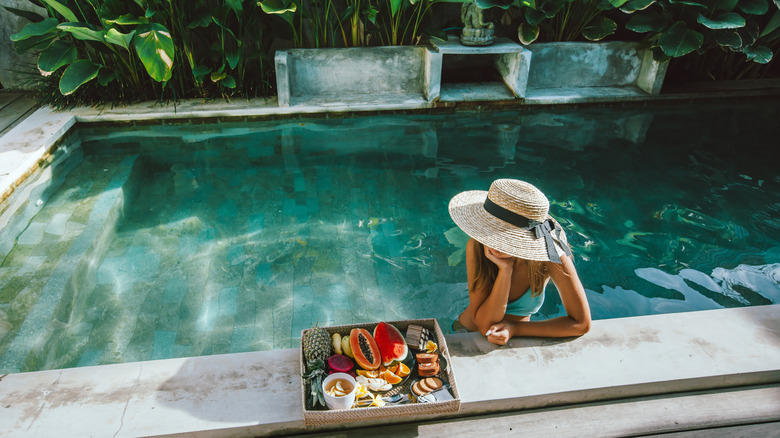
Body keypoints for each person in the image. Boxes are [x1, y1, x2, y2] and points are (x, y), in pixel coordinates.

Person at [448, 179, 591, 345]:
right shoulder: (477, 245)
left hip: (516, 340)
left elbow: (581, 323)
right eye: (492, 231)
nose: (495, 242)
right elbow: (484, 324)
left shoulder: (550, 255)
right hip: (464, 335)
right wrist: (505, 271)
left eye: (506, 235)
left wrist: (515, 329)